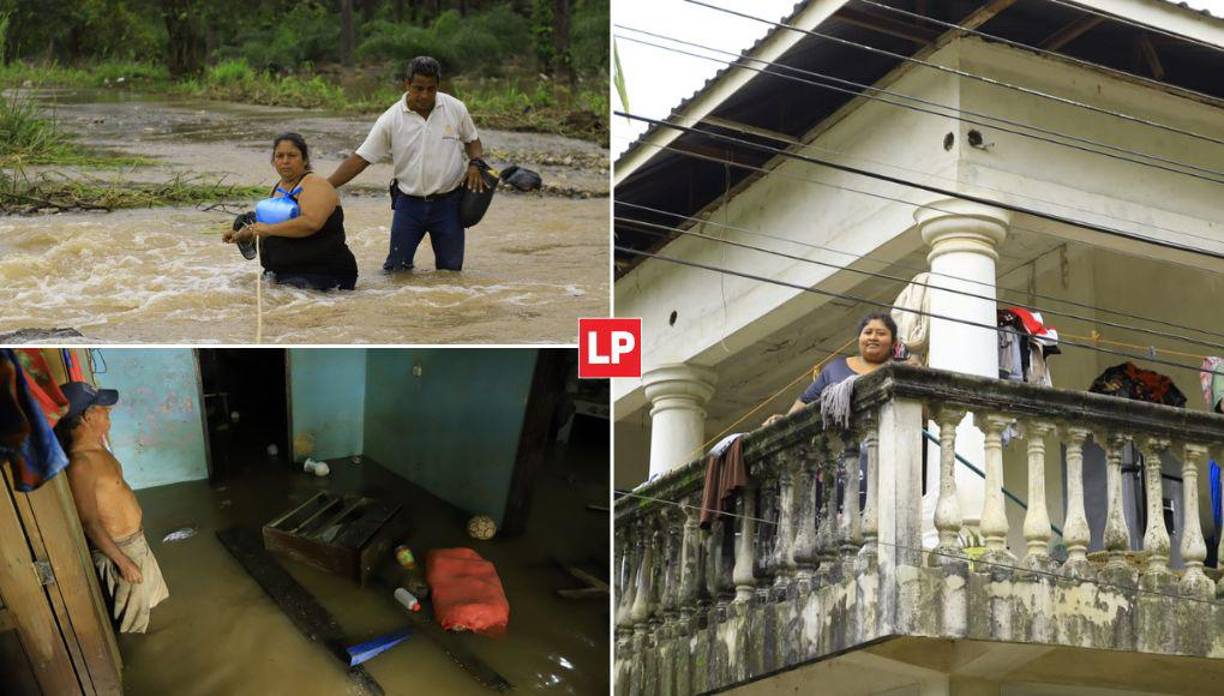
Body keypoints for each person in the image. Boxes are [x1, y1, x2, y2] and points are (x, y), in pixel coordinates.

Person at [326, 55, 487, 272]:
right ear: (407, 84)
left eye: (431, 89)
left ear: (438, 86)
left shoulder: (455, 108)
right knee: (396, 271)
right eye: (419, 88)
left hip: (449, 204)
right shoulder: (391, 119)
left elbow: (472, 140)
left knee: (450, 274)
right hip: (409, 206)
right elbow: (361, 158)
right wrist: (323, 186)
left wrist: (476, 163)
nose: (425, 95)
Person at [54, 381, 169, 634]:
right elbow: (89, 522)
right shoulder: (80, 463)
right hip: (121, 552)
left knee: (152, 609)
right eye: (103, 409)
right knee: (134, 629)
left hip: (136, 543)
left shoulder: (98, 450)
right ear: (88, 416)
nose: (109, 412)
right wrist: (123, 562)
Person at [224, 132, 359, 291]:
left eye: (292, 155)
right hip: (283, 272)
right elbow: (268, 226)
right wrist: (244, 234)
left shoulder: (315, 185)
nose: (285, 161)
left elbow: (310, 223)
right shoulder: (279, 187)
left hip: (322, 274)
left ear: (305, 160)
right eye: (279, 156)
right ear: (273, 161)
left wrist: (268, 229)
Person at [763, 312, 902, 427]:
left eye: (881, 333)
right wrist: (785, 420)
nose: (873, 337)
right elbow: (805, 402)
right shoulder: (836, 368)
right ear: (859, 338)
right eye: (868, 332)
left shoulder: (899, 371)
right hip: (843, 445)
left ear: (893, 342)